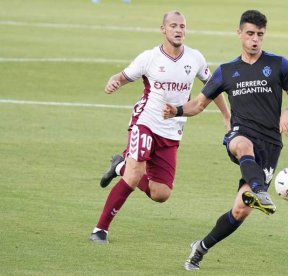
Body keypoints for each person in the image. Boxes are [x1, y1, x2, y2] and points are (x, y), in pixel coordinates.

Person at [163, 10, 288, 270]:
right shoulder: (226, 72)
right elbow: (198, 104)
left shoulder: (278, 65)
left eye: (260, 35)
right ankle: (260, 190)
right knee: (242, 144)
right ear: (239, 34)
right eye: (250, 33)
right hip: (240, 133)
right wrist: (178, 110)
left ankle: (200, 247)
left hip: (270, 145)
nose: (255, 40)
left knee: (240, 210)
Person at [89, 10, 230, 244]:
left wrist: (227, 116)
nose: (178, 30)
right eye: (173, 26)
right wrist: (114, 81)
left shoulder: (195, 58)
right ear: (163, 29)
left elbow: (213, 86)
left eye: (182, 26)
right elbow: (123, 76)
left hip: (172, 130)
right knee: (135, 175)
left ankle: (120, 166)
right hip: (145, 122)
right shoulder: (149, 57)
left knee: (161, 194)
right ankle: (100, 229)